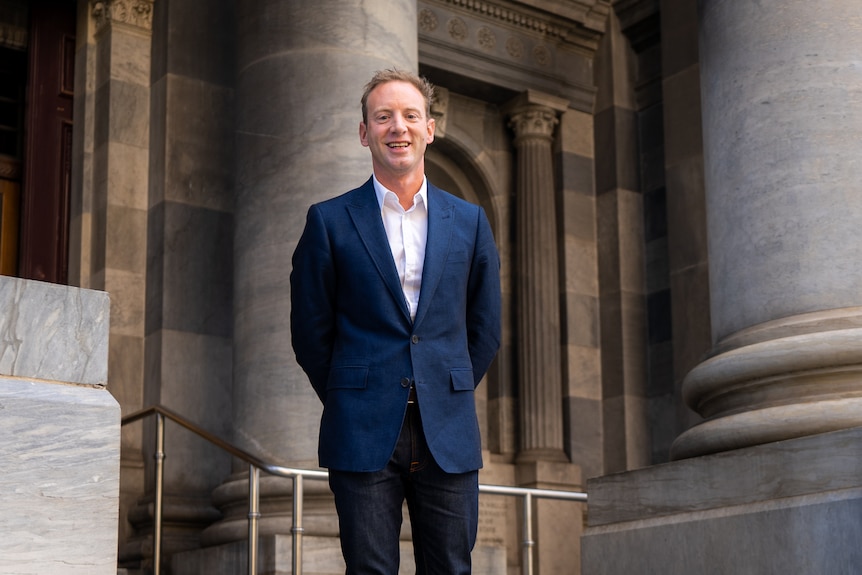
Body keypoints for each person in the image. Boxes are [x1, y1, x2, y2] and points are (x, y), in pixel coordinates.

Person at [290, 68, 502, 574]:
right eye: (382, 117)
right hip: (360, 429)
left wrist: (444, 385)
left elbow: (486, 325)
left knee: (451, 567)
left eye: (410, 115)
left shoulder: (469, 223)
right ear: (365, 132)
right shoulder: (329, 220)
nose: (397, 127)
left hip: (446, 432)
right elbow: (309, 332)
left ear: (430, 128)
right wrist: (353, 390)